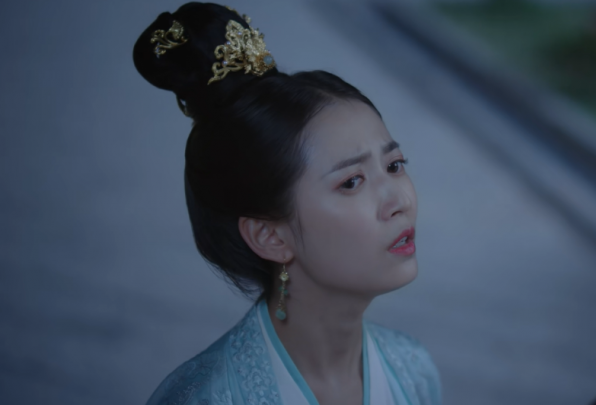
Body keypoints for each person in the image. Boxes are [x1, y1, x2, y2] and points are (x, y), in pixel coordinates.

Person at [133, 3, 441, 404]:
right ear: (269, 236)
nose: (399, 200)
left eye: (394, 165)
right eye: (351, 181)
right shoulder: (207, 398)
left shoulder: (412, 371)